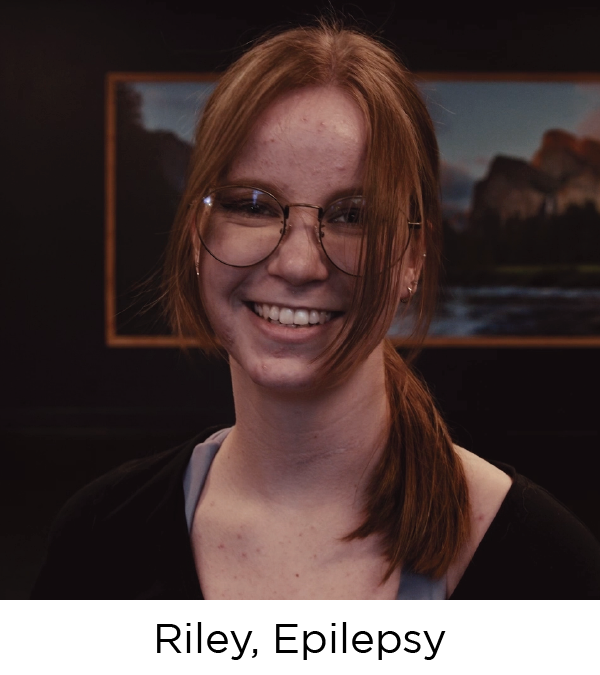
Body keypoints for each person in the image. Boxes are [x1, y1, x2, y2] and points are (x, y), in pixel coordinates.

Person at [33, 22, 600, 599]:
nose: (300, 263)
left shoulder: (544, 565)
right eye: (252, 206)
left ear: (412, 256)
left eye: (352, 215)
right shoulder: (98, 541)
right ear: (197, 232)